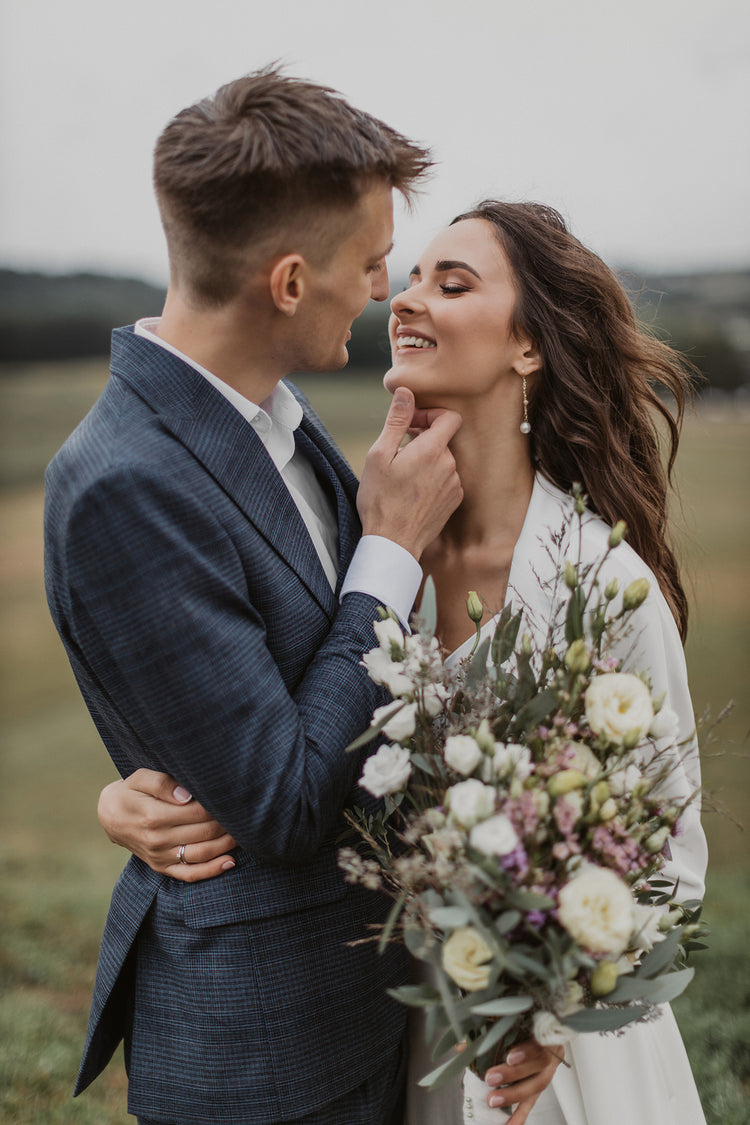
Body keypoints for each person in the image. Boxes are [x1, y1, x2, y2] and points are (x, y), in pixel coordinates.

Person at [103, 201, 709, 1125]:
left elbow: (668, 860)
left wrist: (552, 1007)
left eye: (452, 283)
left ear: (530, 348)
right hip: (396, 1030)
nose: (409, 298)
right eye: (413, 275)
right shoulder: (365, 551)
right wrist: (131, 799)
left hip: (557, 1061)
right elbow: (278, 744)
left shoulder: (601, 579)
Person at [45, 69, 558, 1125]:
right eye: (372, 262)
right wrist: (389, 550)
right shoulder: (122, 484)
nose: (384, 290)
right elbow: (277, 799)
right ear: (288, 282)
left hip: (379, 1014)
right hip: (262, 1063)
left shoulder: (273, 416)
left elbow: (302, 691)